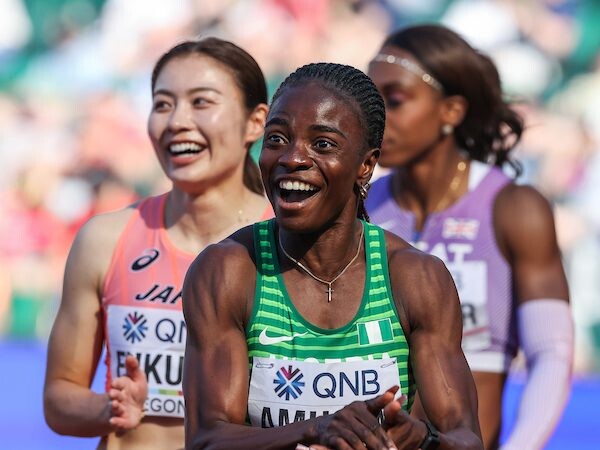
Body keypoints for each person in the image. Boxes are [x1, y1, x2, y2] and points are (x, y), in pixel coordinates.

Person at [182, 61, 483, 450]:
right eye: (276, 139)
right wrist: (315, 429)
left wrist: (421, 439)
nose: (292, 158)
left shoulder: (415, 278)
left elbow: (465, 439)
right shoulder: (228, 271)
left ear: (366, 165)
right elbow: (207, 440)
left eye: (322, 144)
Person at [43, 37, 272, 450]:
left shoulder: (293, 242)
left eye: (201, 102)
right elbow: (59, 398)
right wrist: (110, 408)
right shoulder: (104, 239)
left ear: (256, 122)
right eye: (163, 104)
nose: (177, 121)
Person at [366, 24, 574, 450]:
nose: (376, 117)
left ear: (451, 111)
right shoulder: (361, 207)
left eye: (396, 100)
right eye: (371, 100)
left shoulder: (515, 208)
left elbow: (552, 352)